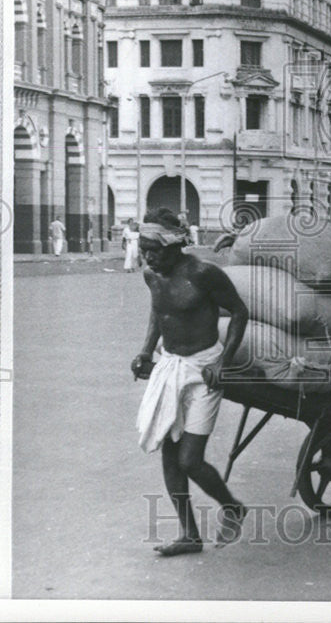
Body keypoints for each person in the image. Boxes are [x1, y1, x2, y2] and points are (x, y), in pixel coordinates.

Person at [131, 207, 250, 556]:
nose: (148, 256)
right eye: (144, 248)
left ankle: (232, 506)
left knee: (190, 460)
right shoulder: (151, 274)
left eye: (154, 249)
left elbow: (240, 312)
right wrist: (145, 352)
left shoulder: (203, 274)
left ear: (174, 246)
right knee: (170, 457)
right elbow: (159, 311)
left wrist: (223, 364)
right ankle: (190, 534)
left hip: (203, 370)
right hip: (171, 367)